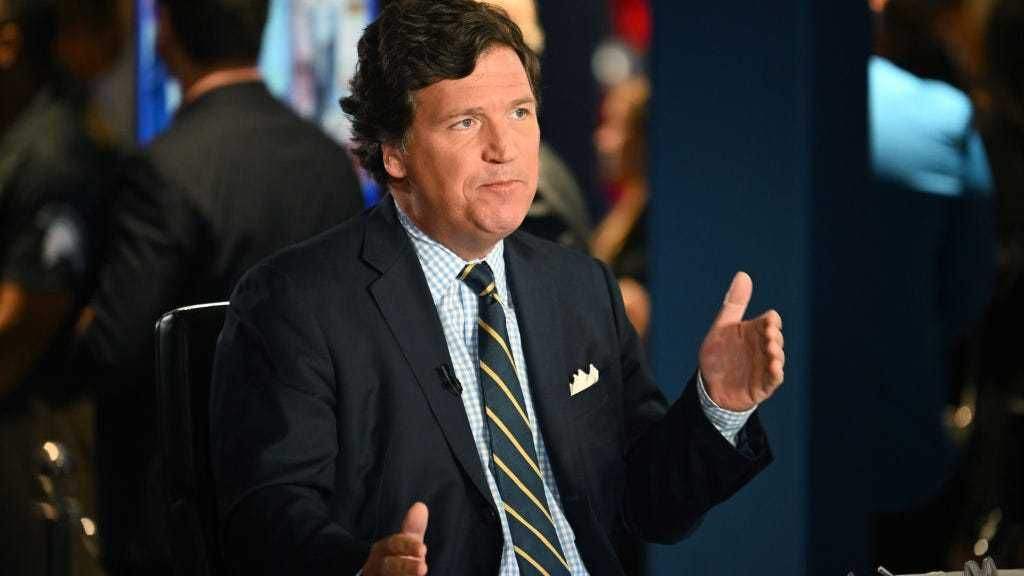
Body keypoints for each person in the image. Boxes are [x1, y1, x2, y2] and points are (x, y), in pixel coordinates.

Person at [210, 2, 785, 575]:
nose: (504, 148)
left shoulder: (580, 287)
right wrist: (360, 568)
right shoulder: (296, 301)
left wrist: (716, 406)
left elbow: (649, 505)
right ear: (395, 152)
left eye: (519, 112)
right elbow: (268, 516)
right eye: (465, 122)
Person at [77, 0, 364, 572]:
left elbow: (112, 348)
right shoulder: (331, 163)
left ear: (165, 34)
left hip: (185, 519)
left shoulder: (164, 169)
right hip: (316, 503)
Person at [1, 0, 110, 573]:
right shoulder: (20, 131)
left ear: (9, 45)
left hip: (34, 432)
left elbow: (24, 319)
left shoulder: (52, 151)